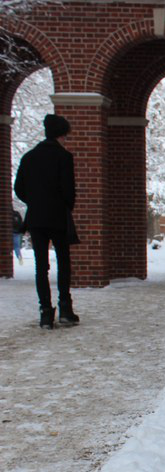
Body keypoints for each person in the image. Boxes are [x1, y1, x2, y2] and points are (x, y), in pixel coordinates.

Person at [14, 114, 80, 329]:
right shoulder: (64, 157)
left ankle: (45, 311)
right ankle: (65, 309)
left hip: (36, 217)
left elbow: (19, 188)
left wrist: (35, 201)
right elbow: (69, 191)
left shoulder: (29, 157)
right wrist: (63, 205)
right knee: (63, 262)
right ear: (61, 134)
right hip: (58, 216)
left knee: (41, 266)